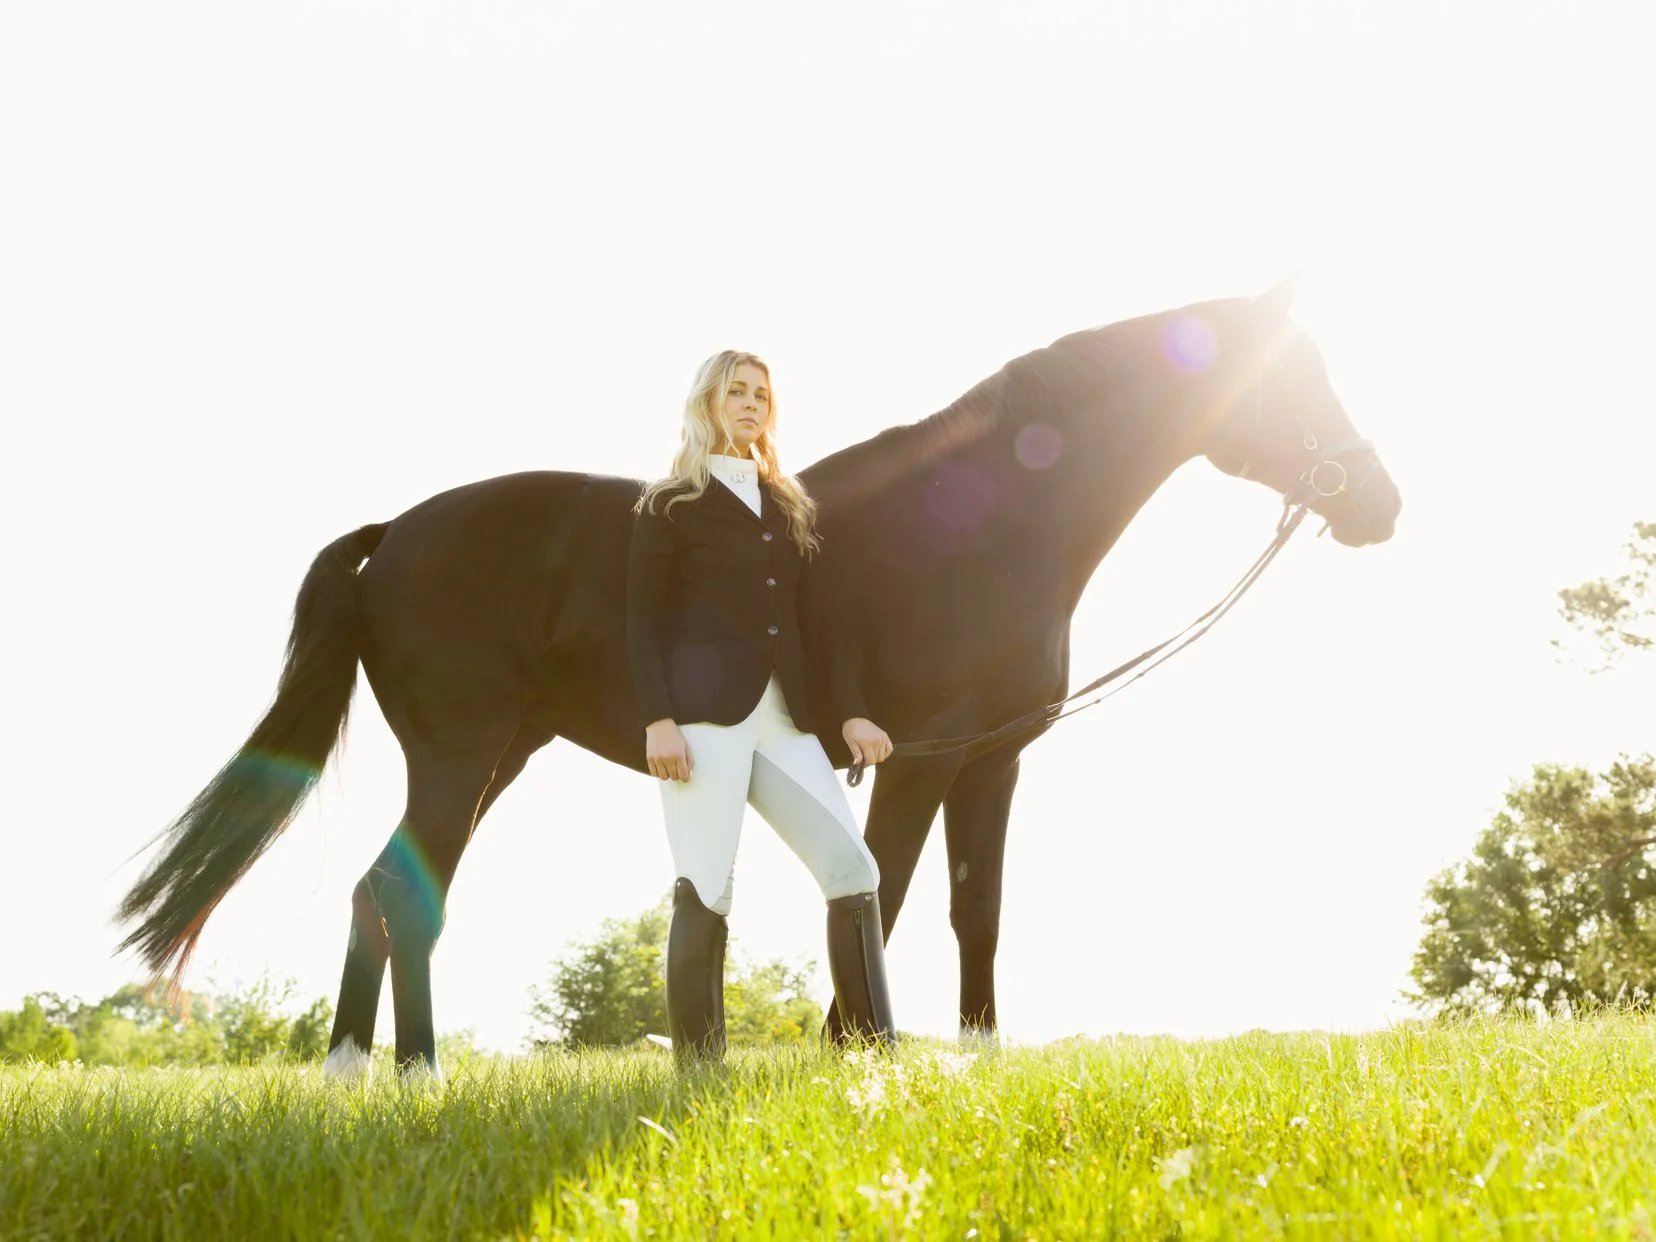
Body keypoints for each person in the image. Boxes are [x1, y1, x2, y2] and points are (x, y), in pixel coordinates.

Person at [627, 349, 896, 1061]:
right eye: (736, 392)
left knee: (855, 871)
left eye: (760, 395)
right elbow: (641, 620)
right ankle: (700, 1070)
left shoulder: (787, 505)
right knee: (707, 886)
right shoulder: (670, 503)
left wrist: (851, 712)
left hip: (786, 719)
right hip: (703, 720)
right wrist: (658, 720)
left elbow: (821, 624)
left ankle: (874, 1061)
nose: (750, 404)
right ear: (707, 403)